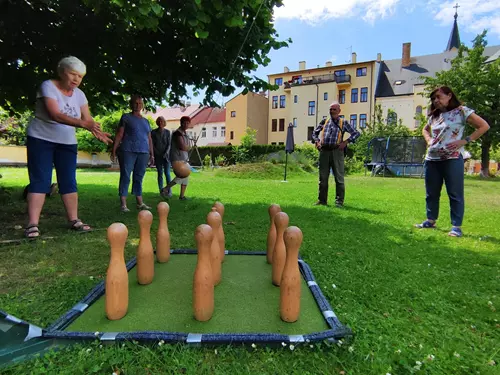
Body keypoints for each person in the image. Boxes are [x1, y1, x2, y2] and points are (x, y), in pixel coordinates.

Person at [24, 56, 112, 239]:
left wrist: (96, 130)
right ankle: (32, 224)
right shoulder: (47, 86)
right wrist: (84, 124)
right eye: (73, 74)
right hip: (40, 139)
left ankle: (74, 220)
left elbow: (87, 119)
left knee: (68, 180)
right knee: (40, 179)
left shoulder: (79, 94)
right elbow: (55, 114)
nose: (76, 79)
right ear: (62, 71)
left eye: (80, 76)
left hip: (67, 142)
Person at [415, 86, 490, 237]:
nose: (436, 100)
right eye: (433, 98)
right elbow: (425, 129)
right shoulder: (434, 116)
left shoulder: (462, 111)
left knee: (455, 193)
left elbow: (484, 126)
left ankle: (456, 226)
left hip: (452, 158)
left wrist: (465, 140)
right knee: (431, 193)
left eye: (438, 97)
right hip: (432, 159)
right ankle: (430, 220)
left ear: (449, 96)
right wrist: (429, 140)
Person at [311, 101, 360, 207]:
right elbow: (314, 132)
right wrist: (317, 141)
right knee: (323, 178)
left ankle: (339, 202)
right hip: (324, 151)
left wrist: (346, 142)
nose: (332, 111)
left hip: (337, 151)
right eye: (331, 109)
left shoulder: (343, 122)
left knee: (339, 177)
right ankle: (322, 200)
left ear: (339, 111)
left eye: (334, 109)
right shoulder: (324, 121)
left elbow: (356, 133)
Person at [111, 95, 154, 212]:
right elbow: (119, 134)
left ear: (143, 105)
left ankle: (140, 203)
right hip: (127, 150)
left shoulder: (146, 121)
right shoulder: (126, 117)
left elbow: (149, 139)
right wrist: (114, 149)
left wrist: (152, 154)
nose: (138, 105)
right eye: (135, 103)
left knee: (139, 177)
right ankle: (123, 204)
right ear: (131, 104)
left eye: (140, 103)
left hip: (143, 152)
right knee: (125, 176)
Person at [161, 116, 191, 200]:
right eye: (184, 123)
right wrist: (190, 147)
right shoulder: (177, 133)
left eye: (187, 123)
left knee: (186, 175)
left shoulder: (184, 133)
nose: (186, 124)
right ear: (181, 123)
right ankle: (165, 189)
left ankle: (182, 196)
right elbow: (182, 146)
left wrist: (188, 147)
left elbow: (185, 147)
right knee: (182, 174)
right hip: (177, 158)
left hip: (183, 158)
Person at [151, 116, 172, 198]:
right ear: (157, 122)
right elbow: (152, 144)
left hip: (166, 156)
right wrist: (156, 153)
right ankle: (161, 191)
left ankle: (169, 191)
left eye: (162, 121)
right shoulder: (153, 132)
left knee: (167, 173)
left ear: (164, 123)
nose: (160, 123)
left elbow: (169, 144)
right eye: (159, 121)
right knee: (160, 173)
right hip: (158, 156)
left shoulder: (167, 132)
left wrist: (166, 153)